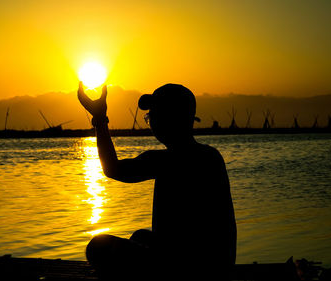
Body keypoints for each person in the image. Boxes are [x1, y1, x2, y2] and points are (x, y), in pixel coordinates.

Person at [78, 82, 237, 280]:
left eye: (154, 115)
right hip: (218, 264)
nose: (152, 121)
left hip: (188, 270)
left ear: (173, 118)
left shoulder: (166, 160)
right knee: (140, 236)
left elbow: (112, 169)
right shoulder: (211, 156)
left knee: (98, 246)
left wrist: (100, 119)